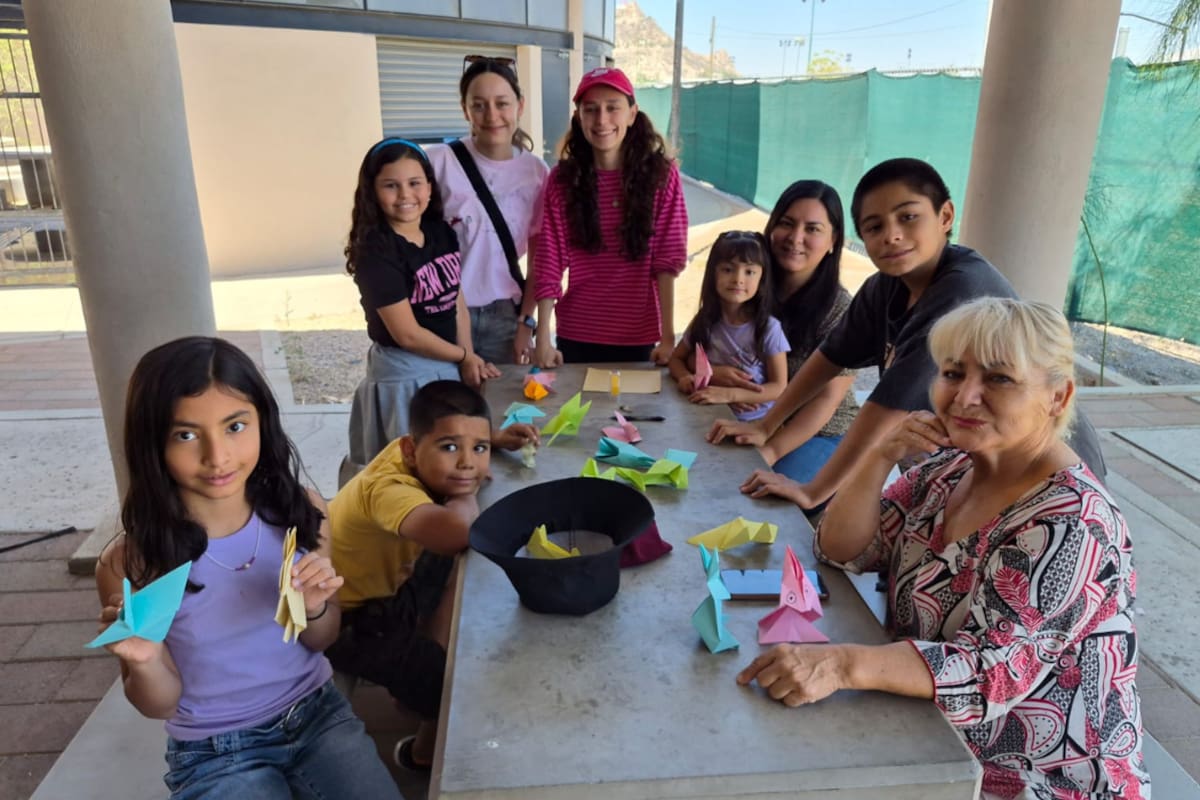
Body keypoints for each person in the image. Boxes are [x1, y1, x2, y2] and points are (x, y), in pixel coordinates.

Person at [738, 298, 1149, 800]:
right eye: (953, 373)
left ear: (1057, 396)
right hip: (928, 740)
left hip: (1038, 783)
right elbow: (841, 549)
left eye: (999, 379)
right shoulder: (947, 470)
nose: (965, 396)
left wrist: (841, 665)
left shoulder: (1074, 521)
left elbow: (988, 673)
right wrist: (880, 455)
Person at [94, 336, 400, 800]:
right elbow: (158, 704)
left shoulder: (302, 512)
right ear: (150, 442)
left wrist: (315, 609)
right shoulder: (131, 561)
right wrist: (147, 660)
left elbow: (322, 639)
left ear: (263, 422)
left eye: (235, 426)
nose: (217, 457)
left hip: (317, 715)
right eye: (186, 435)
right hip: (213, 750)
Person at [710, 158, 1107, 510]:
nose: (892, 235)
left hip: (1043, 465)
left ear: (945, 216)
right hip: (969, 460)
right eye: (874, 226)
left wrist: (814, 492)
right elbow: (829, 358)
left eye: (908, 217)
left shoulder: (960, 291)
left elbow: (886, 408)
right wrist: (765, 425)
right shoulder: (884, 286)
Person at [326, 380, 538, 772]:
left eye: (478, 449)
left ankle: (415, 677)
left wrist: (491, 440)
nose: (467, 463)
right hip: (347, 622)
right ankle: (421, 753)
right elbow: (461, 532)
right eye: (450, 448)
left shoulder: (408, 450)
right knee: (454, 691)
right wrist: (465, 493)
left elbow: (447, 443)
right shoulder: (389, 489)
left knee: (453, 572)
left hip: (384, 590)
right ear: (411, 449)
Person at [343, 137, 500, 477]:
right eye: (391, 185)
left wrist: (467, 356)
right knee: (411, 470)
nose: (405, 195)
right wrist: (462, 357)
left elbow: (455, 298)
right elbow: (408, 334)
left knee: (449, 466)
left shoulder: (440, 232)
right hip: (404, 374)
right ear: (372, 192)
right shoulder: (376, 252)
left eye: (415, 183)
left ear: (429, 186)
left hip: (447, 361)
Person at [533, 66, 688, 367]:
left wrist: (668, 338)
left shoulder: (661, 176)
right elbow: (550, 259)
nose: (601, 120)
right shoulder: (562, 180)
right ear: (579, 117)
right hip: (576, 333)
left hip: (639, 336)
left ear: (632, 114)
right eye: (590, 109)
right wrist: (542, 338)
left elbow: (667, 260)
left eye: (612, 108)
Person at [426, 55, 550, 365]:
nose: (492, 115)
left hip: (504, 319)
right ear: (464, 109)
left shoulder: (537, 173)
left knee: (502, 397)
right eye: (479, 105)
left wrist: (526, 322)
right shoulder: (438, 162)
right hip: (444, 314)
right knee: (444, 397)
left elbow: (540, 259)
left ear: (520, 106)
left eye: (502, 103)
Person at [757, 180, 859, 484]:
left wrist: (770, 452)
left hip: (821, 432)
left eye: (812, 229)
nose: (795, 238)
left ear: (833, 240)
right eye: (787, 223)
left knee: (761, 493)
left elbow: (827, 399)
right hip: (758, 419)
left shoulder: (841, 308)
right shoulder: (749, 285)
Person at [666, 230, 789, 420]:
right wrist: (684, 377)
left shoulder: (768, 328)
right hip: (706, 414)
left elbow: (779, 387)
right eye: (727, 269)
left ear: (762, 278)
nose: (738, 279)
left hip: (754, 421)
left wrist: (731, 395)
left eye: (749, 272)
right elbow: (676, 358)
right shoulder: (705, 319)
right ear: (713, 273)